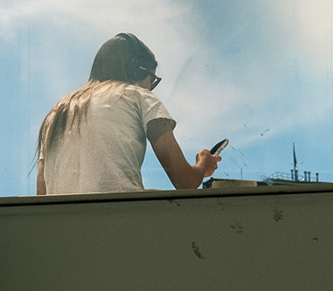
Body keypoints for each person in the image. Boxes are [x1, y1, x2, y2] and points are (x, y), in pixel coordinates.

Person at [36, 33, 223, 195]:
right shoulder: (138, 96)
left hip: (61, 223)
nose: (151, 87)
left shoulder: (55, 114)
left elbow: (42, 196)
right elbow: (185, 181)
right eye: (153, 79)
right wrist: (203, 165)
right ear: (138, 70)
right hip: (119, 219)